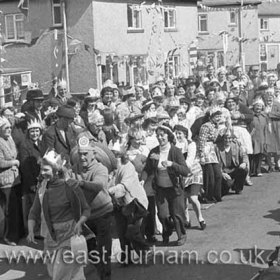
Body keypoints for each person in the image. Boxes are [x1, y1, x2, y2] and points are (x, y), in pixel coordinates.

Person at [27, 150, 90, 280]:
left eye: (45, 170)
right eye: (41, 170)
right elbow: (33, 212)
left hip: (69, 236)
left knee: (60, 275)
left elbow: (86, 209)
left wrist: (79, 223)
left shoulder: (71, 186)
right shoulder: (42, 188)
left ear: (56, 170)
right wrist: (30, 231)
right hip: (50, 237)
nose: (42, 173)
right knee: (70, 274)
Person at [72, 137, 113, 280]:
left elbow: (98, 185)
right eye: (80, 154)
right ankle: (100, 268)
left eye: (86, 154)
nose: (82, 157)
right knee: (90, 249)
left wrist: (81, 183)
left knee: (103, 248)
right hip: (86, 216)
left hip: (103, 213)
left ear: (93, 154)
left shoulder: (101, 168)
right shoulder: (75, 168)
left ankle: (105, 275)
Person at [142, 124, 189, 246]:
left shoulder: (175, 151)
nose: (160, 138)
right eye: (157, 135)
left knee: (177, 214)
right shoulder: (154, 152)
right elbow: (147, 169)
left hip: (175, 188)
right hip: (161, 189)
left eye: (162, 135)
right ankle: (167, 231)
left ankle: (181, 236)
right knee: (163, 215)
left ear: (168, 136)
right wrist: (143, 179)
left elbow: (185, 170)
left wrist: (172, 164)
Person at [109, 144, 150, 264]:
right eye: (112, 154)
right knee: (121, 232)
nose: (114, 157)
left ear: (121, 155)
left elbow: (123, 187)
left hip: (135, 203)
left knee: (132, 231)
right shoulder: (110, 170)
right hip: (119, 205)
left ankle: (144, 252)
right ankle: (127, 256)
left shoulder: (128, 167)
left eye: (116, 154)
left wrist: (108, 191)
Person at [174, 125, 205, 230]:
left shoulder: (191, 144)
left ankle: (200, 218)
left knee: (193, 198)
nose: (178, 135)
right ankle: (187, 220)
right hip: (181, 175)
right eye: (176, 133)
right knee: (183, 199)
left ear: (185, 134)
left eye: (180, 133)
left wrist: (176, 167)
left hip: (193, 172)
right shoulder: (174, 145)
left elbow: (189, 162)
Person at [19, 119, 44, 234]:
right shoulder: (25, 145)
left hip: (40, 179)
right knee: (31, 207)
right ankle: (32, 231)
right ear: (28, 132)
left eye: (37, 131)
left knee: (39, 205)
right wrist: (32, 184)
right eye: (32, 131)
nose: (35, 134)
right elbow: (25, 167)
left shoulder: (41, 143)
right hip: (30, 181)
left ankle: (38, 229)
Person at [0, 117, 22, 245]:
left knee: (14, 208)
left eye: (9, 128)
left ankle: (16, 233)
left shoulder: (10, 139)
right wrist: (13, 162)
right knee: (8, 209)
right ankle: (8, 236)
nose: (9, 130)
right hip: (5, 180)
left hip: (15, 178)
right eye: (5, 128)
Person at [198, 106, 223, 203]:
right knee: (210, 176)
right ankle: (208, 196)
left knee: (218, 175)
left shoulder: (216, 126)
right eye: (216, 116)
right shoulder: (205, 126)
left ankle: (217, 195)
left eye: (219, 116)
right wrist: (202, 155)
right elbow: (201, 141)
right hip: (206, 150)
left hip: (212, 150)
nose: (218, 118)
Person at [215, 129, 249, 195]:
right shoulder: (217, 148)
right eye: (226, 138)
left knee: (244, 170)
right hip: (224, 172)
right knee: (225, 189)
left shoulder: (236, 145)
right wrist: (222, 173)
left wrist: (244, 163)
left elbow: (244, 155)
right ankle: (228, 185)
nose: (228, 140)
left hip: (234, 169)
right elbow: (216, 163)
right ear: (222, 138)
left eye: (230, 138)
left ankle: (237, 188)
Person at [249, 98, 267, 176]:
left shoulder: (264, 116)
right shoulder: (251, 116)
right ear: (253, 107)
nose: (258, 108)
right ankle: (251, 170)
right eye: (256, 106)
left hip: (262, 137)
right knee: (252, 154)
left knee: (260, 154)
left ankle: (258, 170)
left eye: (260, 106)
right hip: (253, 137)